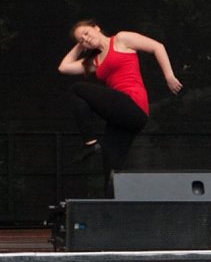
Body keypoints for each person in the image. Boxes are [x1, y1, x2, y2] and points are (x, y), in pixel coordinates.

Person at [58, 19, 183, 192]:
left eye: (86, 33)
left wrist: (169, 76)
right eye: (81, 40)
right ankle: (111, 202)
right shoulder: (93, 62)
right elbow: (63, 68)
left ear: (96, 27)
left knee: (76, 89)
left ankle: (90, 142)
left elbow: (157, 47)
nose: (85, 39)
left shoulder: (121, 39)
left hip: (133, 105)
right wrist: (81, 44)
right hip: (121, 116)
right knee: (110, 166)